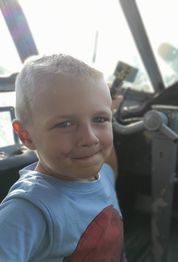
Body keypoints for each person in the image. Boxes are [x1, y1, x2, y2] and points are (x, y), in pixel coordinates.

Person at [0, 54, 125, 261]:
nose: (90, 139)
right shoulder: (28, 209)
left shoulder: (102, 172)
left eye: (99, 119)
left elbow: (110, 166)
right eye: (65, 124)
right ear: (26, 135)